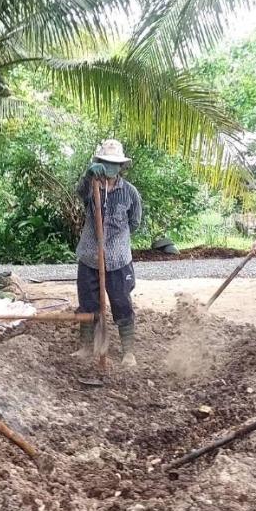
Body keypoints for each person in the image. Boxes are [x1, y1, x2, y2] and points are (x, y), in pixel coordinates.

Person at [72, 138, 143, 367]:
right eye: (105, 163)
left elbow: (135, 222)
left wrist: (114, 240)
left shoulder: (130, 193)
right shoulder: (91, 187)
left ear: (121, 166)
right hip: (90, 255)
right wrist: (88, 176)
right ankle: (86, 346)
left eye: (115, 164)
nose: (110, 168)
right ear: (99, 163)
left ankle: (128, 352)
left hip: (118, 259)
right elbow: (79, 192)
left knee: (122, 302)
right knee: (88, 303)